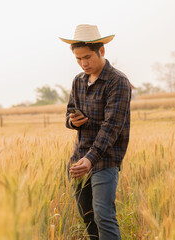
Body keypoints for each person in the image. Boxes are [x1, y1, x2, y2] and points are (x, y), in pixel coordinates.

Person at [59, 24, 132, 240]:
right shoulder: (78, 81)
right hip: (79, 160)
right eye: (79, 59)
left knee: (103, 216)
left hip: (105, 160)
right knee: (88, 218)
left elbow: (112, 126)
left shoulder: (117, 81)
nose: (84, 63)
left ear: (102, 51)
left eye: (88, 57)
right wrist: (73, 122)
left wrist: (90, 159)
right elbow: (68, 116)